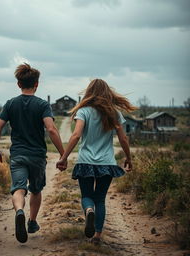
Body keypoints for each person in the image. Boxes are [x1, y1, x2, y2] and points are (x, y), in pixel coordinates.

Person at [56, 79, 137, 244]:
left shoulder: (84, 111)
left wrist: (63, 157)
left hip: (85, 161)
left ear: (89, 93)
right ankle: (97, 236)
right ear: (108, 93)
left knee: (87, 196)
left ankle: (89, 210)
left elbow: (76, 135)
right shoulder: (114, 113)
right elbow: (123, 138)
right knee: (100, 199)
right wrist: (128, 158)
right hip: (107, 163)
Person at [0, 63, 65, 243]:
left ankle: (19, 211)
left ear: (18, 84)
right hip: (37, 156)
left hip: (17, 154)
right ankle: (32, 222)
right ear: (37, 84)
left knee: (18, 188)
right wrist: (63, 153)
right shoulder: (42, 105)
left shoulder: (10, 104)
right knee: (35, 189)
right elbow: (52, 129)